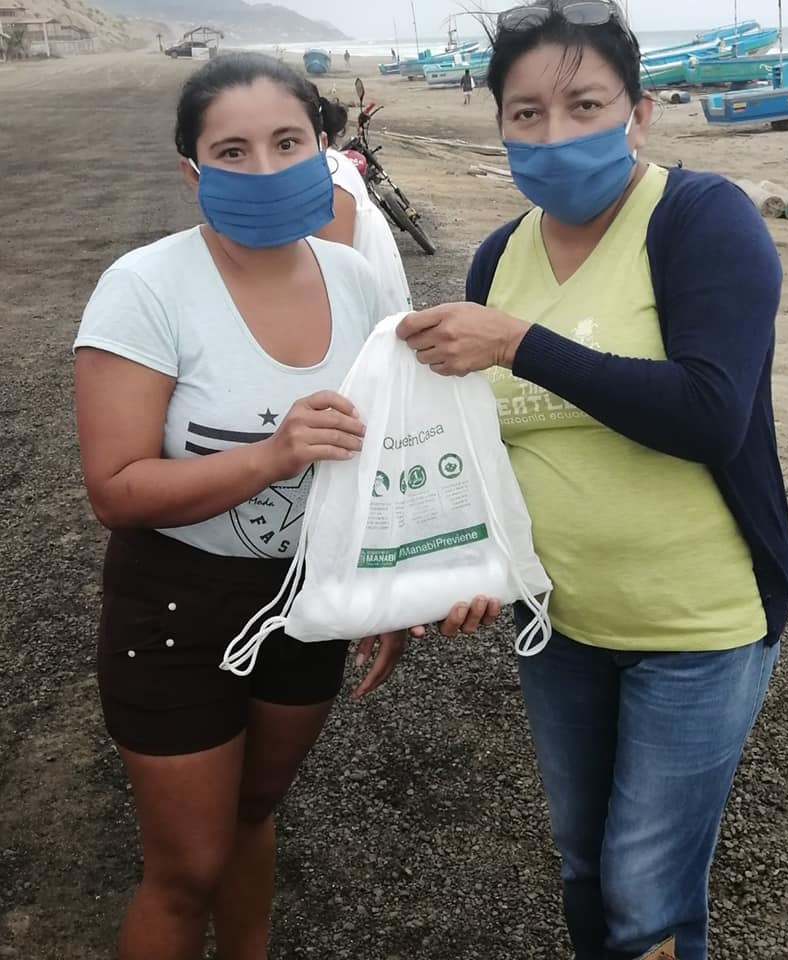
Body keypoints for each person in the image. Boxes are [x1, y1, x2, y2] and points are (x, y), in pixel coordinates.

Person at [74, 52, 498, 960]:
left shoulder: (354, 279)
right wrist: (271, 456)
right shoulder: (144, 287)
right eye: (231, 151)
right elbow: (115, 489)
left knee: (255, 811)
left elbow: (382, 454)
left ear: (322, 149)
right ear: (192, 170)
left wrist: (390, 589)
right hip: (177, 602)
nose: (263, 168)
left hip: (309, 598)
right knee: (186, 867)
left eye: (286, 142)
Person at [396, 3, 788, 959]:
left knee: (647, 889)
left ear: (638, 114)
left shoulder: (702, 218)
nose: (553, 134)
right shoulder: (499, 255)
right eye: (525, 113)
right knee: (582, 861)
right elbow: (483, 445)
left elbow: (709, 413)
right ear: (499, 125)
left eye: (584, 106)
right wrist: (457, 570)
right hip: (556, 623)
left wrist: (521, 343)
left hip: (695, 627)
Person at [311, 86, 413, 315]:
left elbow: (334, 279)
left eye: (286, 143)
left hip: (362, 318)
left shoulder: (331, 176)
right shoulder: (333, 165)